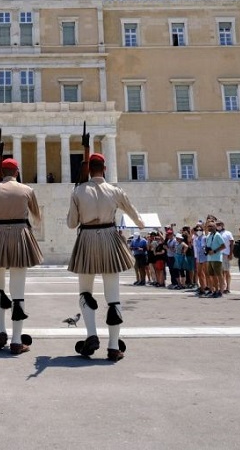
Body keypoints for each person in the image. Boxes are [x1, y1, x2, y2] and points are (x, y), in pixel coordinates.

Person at [67, 153, 144, 362]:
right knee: (113, 296)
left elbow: (71, 223)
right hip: (110, 238)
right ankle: (113, 346)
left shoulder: (79, 191)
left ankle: (91, 335)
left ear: (88, 170)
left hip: (87, 238)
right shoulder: (115, 190)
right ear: (105, 169)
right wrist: (141, 224)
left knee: (85, 292)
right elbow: (134, 213)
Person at [0, 158, 43, 355]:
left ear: (1, 172)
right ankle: (16, 340)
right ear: (17, 172)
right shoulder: (27, 190)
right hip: (20, 235)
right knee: (18, 290)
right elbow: (37, 217)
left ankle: (0, 332)